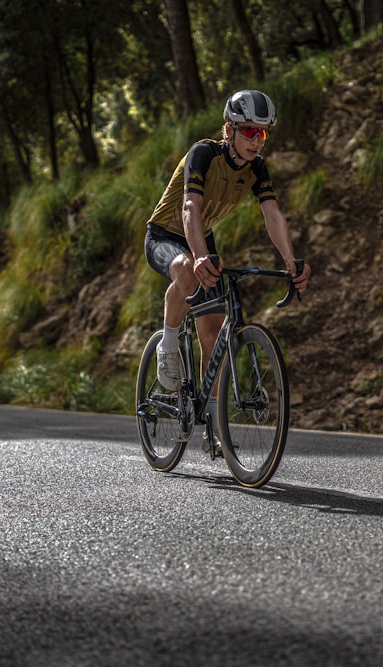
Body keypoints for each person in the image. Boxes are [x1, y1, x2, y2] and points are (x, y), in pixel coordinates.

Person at [143, 89, 311, 452]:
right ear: (228, 130)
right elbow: (190, 206)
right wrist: (201, 256)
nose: (256, 140)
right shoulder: (203, 154)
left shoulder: (256, 168)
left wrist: (290, 261)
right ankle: (168, 347)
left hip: (203, 241)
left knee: (213, 333)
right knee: (187, 268)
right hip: (166, 236)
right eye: (248, 131)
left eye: (262, 133)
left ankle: (211, 426)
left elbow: (271, 214)